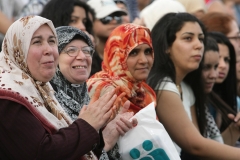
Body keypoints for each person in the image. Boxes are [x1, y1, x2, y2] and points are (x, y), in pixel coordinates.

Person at [0, 15, 127, 159]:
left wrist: (101, 137)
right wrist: (87, 125)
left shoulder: (42, 89)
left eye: (52, 41)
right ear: (17, 48)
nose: (48, 49)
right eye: (37, 42)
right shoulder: (8, 96)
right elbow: (43, 153)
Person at [147, 12, 240, 159]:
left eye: (201, 39)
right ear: (167, 46)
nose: (198, 45)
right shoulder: (163, 86)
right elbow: (195, 146)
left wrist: (236, 129)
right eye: (188, 38)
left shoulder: (186, 88)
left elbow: (203, 145)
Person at [87, 23, 156, 159]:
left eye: (148, 52)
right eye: (134, 53)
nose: (144, 60)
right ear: (117, 54)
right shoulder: (103, 89)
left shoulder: (144, 93)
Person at [87, 0, 127, 76]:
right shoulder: (84, 56)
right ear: (90, 21)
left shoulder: (127, 52)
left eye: (118, 17)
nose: (114, 21)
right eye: (107, 18)